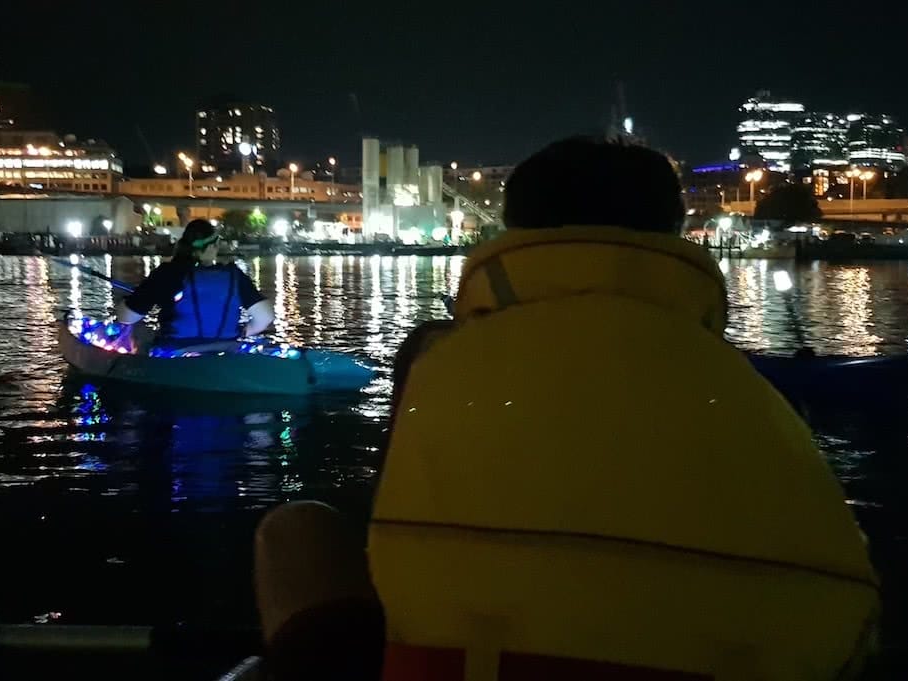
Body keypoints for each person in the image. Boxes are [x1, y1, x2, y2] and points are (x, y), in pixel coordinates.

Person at [313, 136, 874, 680]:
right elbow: (852, 622)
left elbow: (383, 551)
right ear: (674, 237)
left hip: (463, 666)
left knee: (299, 530)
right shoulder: (755, 393)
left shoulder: (436, 364)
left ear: (514, 235)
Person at [112, 219, 273, 348]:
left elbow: (127, 317)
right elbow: (265, 317)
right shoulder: (234, 275)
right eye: (217, 243)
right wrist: (243, 332)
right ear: (211, 246)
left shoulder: (167, 273)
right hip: (226, 351)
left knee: (138, 334)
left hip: (176, 353)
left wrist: (124, 302)